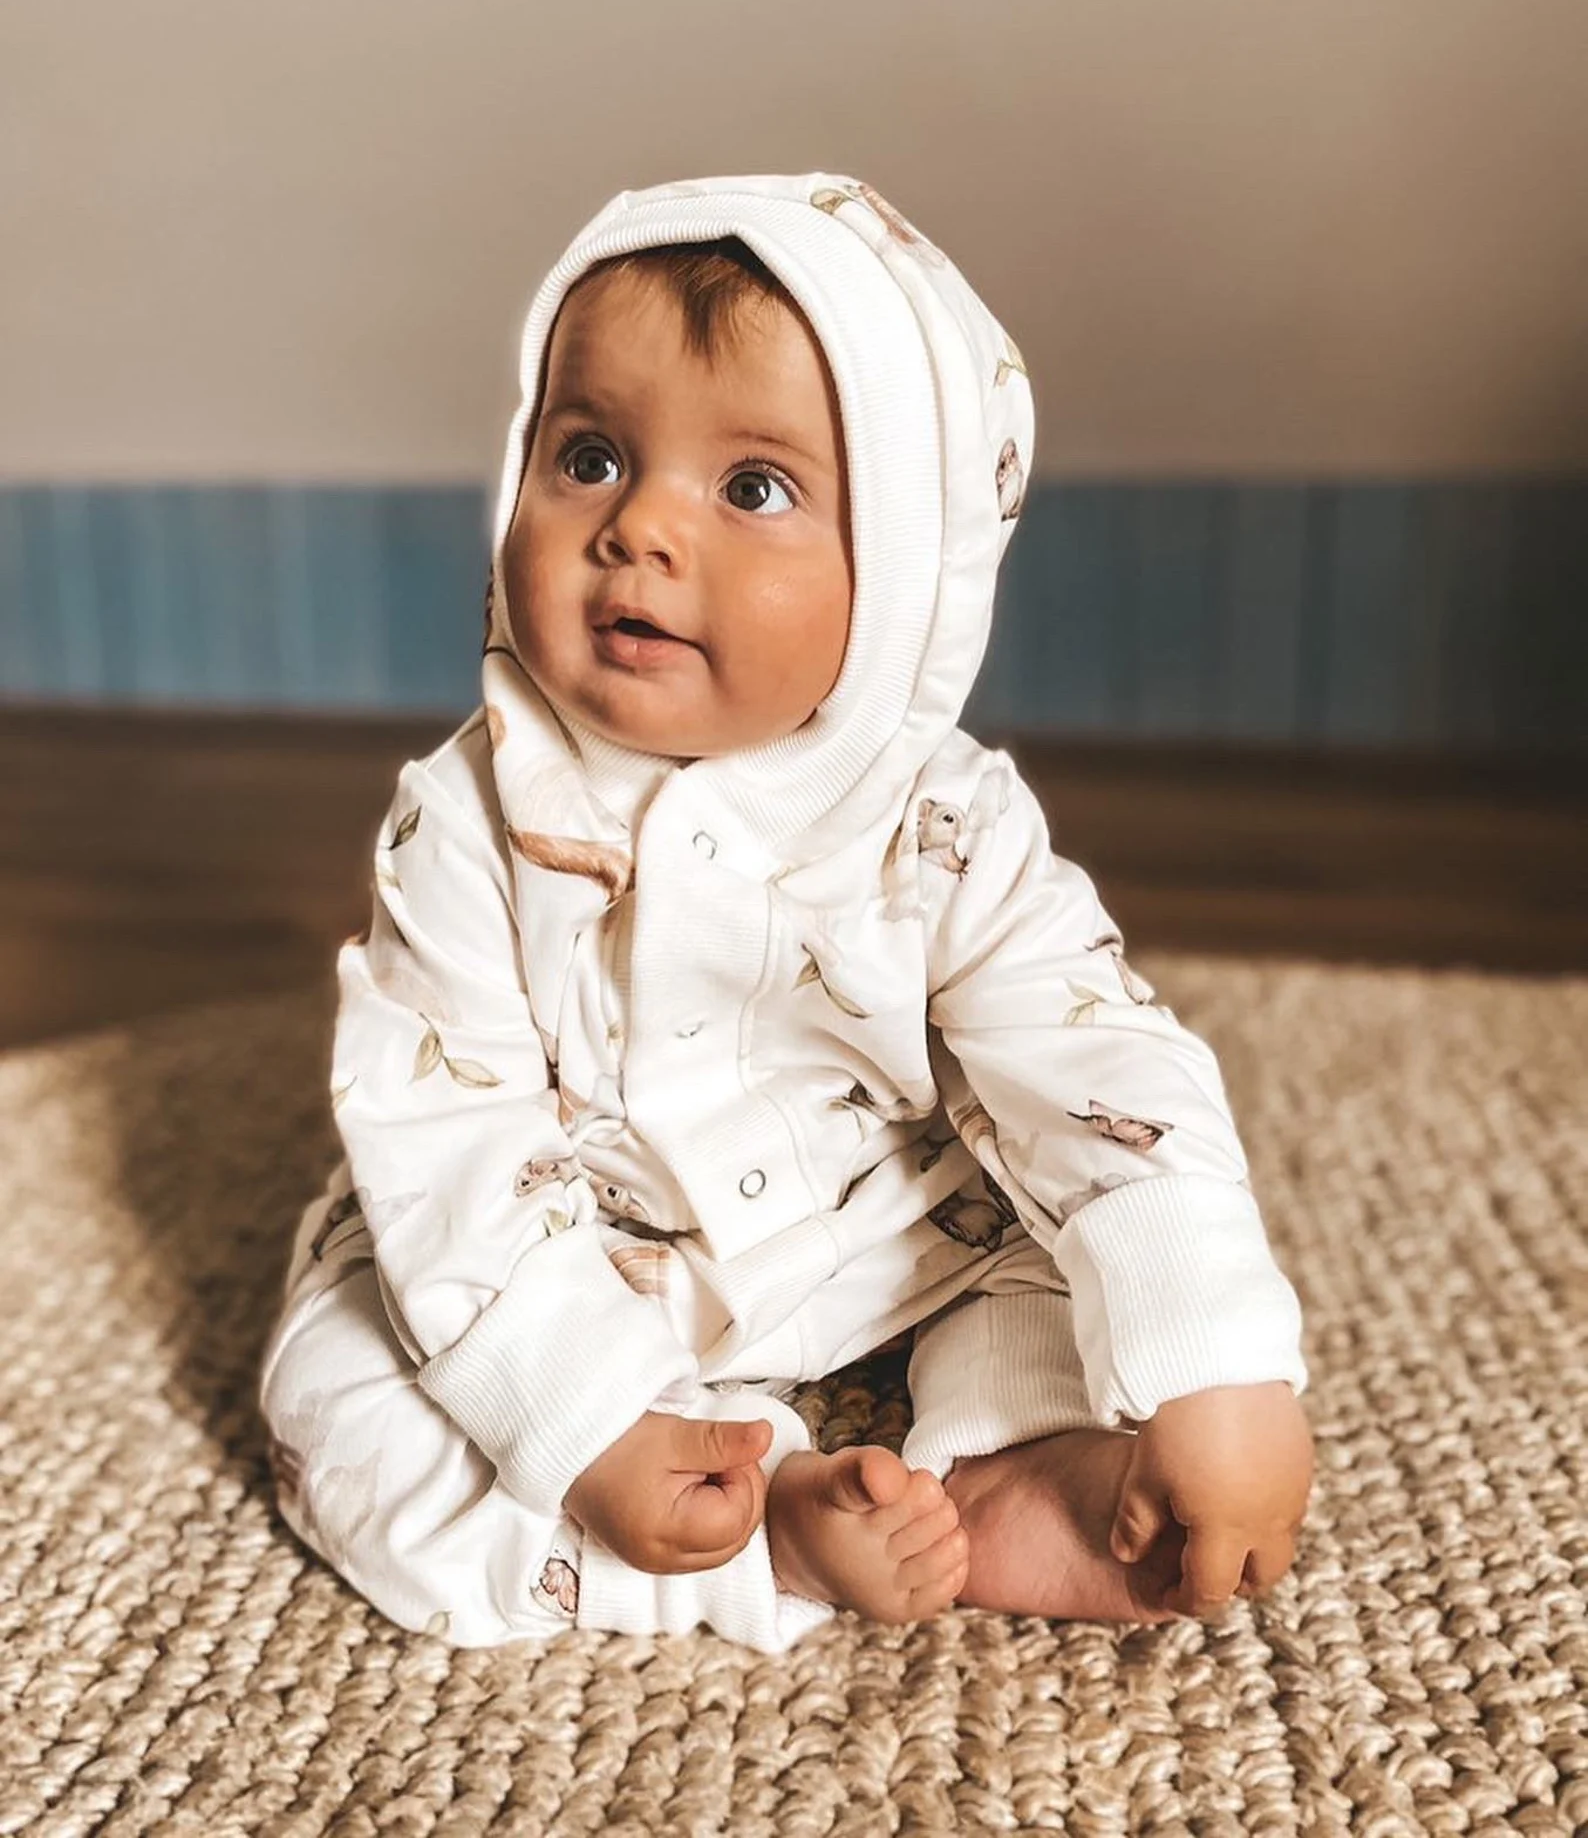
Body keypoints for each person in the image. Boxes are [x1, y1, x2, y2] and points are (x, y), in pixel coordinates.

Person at [259, 173, 1314, 1653]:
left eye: (752, 488)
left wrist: (1215, 1361)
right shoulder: (466, 823)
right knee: (341, 1407)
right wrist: (588, 1415)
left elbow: (1095, 1064)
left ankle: (1003, 1479)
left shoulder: (947, 824)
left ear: (903, 576)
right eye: (589, 457)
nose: (638, 528)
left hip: (895, 1231)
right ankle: (769, 1542)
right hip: (579, 1247)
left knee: (1070, 1258)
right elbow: (450, 1135)